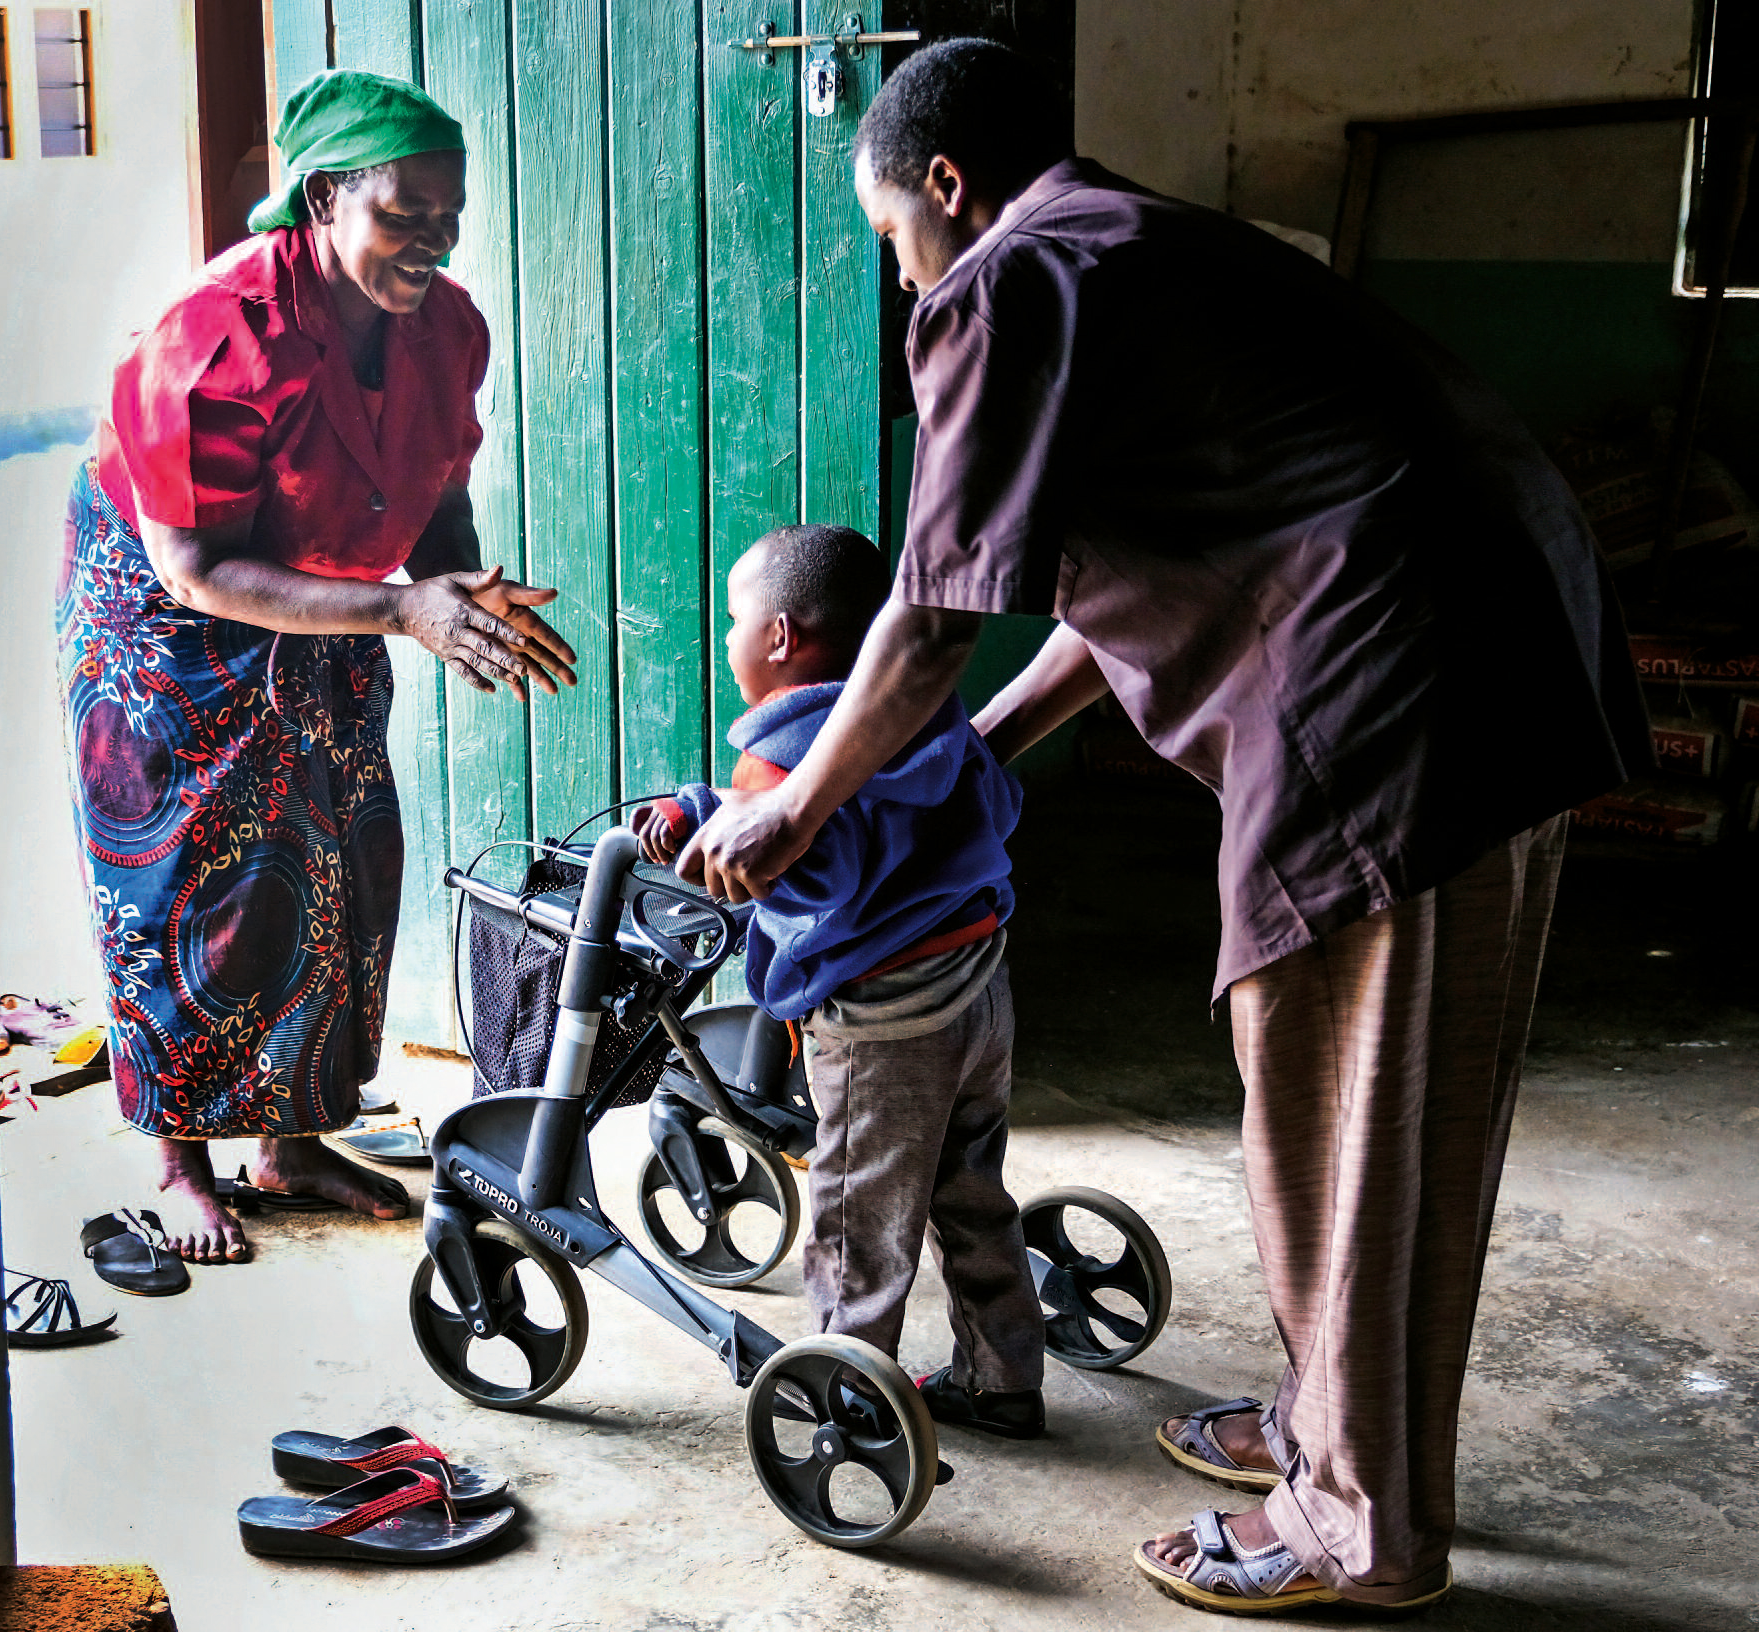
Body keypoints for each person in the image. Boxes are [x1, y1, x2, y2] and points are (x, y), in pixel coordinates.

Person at [673, 39, 1646, 1617]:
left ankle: (1361, 1525)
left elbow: (925, 619)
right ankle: (1329, 1436)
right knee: (1386, 1114)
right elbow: (1093, 581)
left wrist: (799, 804)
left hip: (1390, 696)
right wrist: (981, 744)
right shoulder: (1142, 249)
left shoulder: (1009, 277)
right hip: (1499, 644)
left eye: (893, 239)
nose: (902, 277)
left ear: (944, 185)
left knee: (1347, 1113)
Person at [60, 69, 577, 1265]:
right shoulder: (211, 333)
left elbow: (441, 487)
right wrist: (405, 610)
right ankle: (181, 1156)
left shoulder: (446, 326)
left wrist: (467, 595)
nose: (433, 240)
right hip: (168, 615)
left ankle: (290, 1139)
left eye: (447, 216)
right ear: (326, 196)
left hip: (334, 591)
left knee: (337, 844)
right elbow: (191, 563)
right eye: (404, 214)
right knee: (187, 875)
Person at [634, 524, 1047, 1436]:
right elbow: (988, 801)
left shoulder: (783, 752)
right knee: (969, 1189)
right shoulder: (927, 712)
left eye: (734, 621)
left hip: (885, 1026)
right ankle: (1004, 1375)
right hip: (979, 989)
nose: (727, 638)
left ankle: (842, 1402)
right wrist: (716, 811)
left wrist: (716, 827)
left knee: (857, 1224)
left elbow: (807, 863)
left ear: (780, 637)